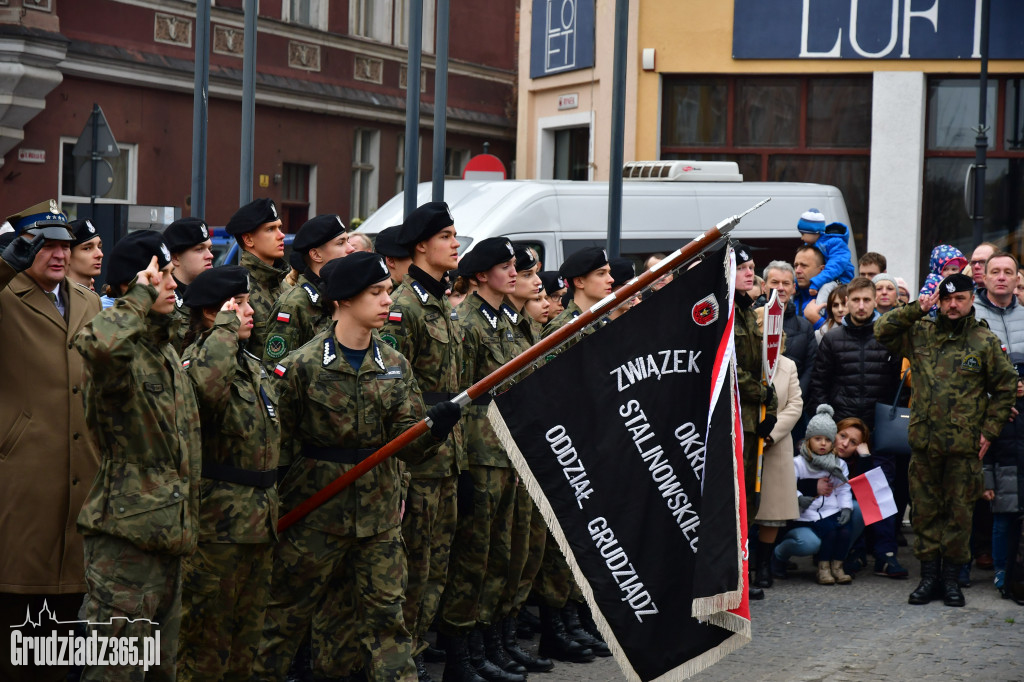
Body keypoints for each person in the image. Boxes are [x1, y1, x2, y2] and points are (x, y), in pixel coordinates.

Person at [254, 252, 461, 681]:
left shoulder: (394, 365)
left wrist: (434, 430)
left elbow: (410, 446)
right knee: (284, 622)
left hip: (378, 519)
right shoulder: (301, 367)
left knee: (389, 624)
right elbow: (275, 446)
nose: (388, 300)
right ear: (345, 300)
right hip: (315, 514)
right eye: (377, 292)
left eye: (388, 290)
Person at [73, 230, 203, 680]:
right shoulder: (122, 354)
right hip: (126, 546)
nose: (170, 285)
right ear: (131, 287)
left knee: (159, 672)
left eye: (169, 275)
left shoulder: (163, 349)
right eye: (158, 276)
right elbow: (98, 344)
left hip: (169, 539)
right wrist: (139, 295)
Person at [0, 201, 101, 682]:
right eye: (47, 244)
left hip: (81, 474)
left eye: (65, 244)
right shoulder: (6, 293)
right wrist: (5, 262)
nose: (59, 254)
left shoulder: (86, 300)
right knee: (18, 612)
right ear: (24, 247)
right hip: (24, 473)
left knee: (68, 615)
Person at [875, 273, 1017, 607]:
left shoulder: (983, 340)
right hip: (924, 444)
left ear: (971, 300)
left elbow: (1006, 386)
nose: (952, 305)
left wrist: (989, 431)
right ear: (939, 300)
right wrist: (915, 308)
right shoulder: (921, 332)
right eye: (947, 299)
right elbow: (881, 332)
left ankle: (952, 580)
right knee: (924, 513)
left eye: (960, 299)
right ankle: (928, 578)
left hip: (965, 448)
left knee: (959, 514)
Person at [176, 265, 281, 680]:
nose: (249, 311)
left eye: (248, 302)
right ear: (210, 313)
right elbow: (206, 396)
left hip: (257, 524)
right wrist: (221, 330)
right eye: (237, 304)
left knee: (245, 644)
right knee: (205, 642)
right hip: (216, 529)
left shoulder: (250, 365)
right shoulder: (195, 361)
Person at [379, 201, 466, 681]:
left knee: (435, 570)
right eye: (448, 236)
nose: (456, 244)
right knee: (409, 572)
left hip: (446, 457)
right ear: (420, 246)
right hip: (416, 462)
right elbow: (397, 393)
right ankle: (400, 663)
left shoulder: (440, 304)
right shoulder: (404, 307)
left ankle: (414, 655)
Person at [438, 237, 531, 682]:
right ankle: (461, 653)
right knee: (473, 556)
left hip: (509, 450)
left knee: (502, 554)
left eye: (514, 265)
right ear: (480, 275)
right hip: (480, 452)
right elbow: (459, 396)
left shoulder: (507, 322)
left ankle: (489, 643)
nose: (513, 272)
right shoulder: (466, 322)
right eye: (504, 266)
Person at [808, 276, 905, 577]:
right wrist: (831, 429)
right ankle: (852, 552)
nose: (861, 306)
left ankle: (885, 554)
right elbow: (819, 386)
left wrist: (887, 423)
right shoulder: (833, 339)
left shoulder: (889, 336)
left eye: (867, 300)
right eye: (856, 300)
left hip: (880, 429)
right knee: (845, 494)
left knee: (880, 492)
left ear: (876, 301)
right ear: (846, 302)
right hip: (844, 430)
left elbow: (898, 386)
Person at [732, 243, 779, 600]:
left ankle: (742, 573)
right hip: (733, 421)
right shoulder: (724, 312)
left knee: (750, 499)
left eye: (751, 266)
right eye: (741, 266)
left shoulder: (749, 310)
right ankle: (730, 578)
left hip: (752, 421)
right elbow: (731, 371)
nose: (750, 272)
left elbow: (764, 365)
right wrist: (762, 394)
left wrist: (771, 404)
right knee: (732, 501)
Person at [751, 310, 802, 590]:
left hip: (774, 445)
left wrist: (770, 434)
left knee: (771, 511)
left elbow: (795, 405)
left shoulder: (787, 365)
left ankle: (764, 568)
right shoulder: (742, 363)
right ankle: (744, 567)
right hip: (746, 445)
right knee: (744, 511)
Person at [263, 214, 355, 364]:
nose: (351, 249)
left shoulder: (349, 295)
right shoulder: (294, 304)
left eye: (348, 241)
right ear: (316, 254)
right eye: (341, 243)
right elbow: (277, 372)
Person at [790, 405, 854, 585]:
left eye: (827, 439)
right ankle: (823, 567)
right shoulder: (798, 463)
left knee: (844, 532)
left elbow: (843, 488)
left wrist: (846, 508)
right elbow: (789, 485)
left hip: (831, 509)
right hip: (809, 512)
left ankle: (838, 566)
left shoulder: (838, 464)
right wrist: (799, 497)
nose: (823, 443)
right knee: (830, 532)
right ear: (808, 440)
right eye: (818, 439)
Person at [226, 198, 291, 350]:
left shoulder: (286, 287)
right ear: (248, 239)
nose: (281, 235)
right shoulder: (238, 293)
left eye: (279, 228)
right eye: (270, 229)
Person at [983, 357, 1024, 596]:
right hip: (1003, 475)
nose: (1019, 385)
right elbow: (986, 452)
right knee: (1001, 525)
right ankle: (1000, 569)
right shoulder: (996, 412)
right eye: (1015, 380)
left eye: (1023, 380)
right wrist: (987, 483)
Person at [758, 260, 817, 399]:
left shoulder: (805, 327)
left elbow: (810, 367)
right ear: (763, 286)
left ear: (793, 288)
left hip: (793, 403)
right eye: (774, 282)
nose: (780, 288)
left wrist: (794, 398)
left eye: (786, 283)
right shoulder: (752, 321)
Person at [163, 217, 214, 354]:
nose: (210, 255)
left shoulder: (216, 296)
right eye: (199, 249)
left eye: (210, 249)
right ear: (175, 258)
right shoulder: (162, 302)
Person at [796, 208, 854, 296]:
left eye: (803, 234)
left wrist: (816, 282)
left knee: (825, 289)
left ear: (814, 232)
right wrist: (795, 285)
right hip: (826, 279)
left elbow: (835, 266)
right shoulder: (811, 245)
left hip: (841, 280)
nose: (802, 238)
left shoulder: (836, 243)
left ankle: (819, 310)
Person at [793, 244, 827, 327]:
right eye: (796, 266)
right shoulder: (790, 297)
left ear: (821, 270)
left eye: (804, 266)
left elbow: (840, 337)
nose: (797, 271)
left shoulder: (833, 299)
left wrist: (816, 320)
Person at [67, 218, 104, 291]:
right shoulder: (60, 299)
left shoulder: (94, 300)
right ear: (67, 255)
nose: (100, 254)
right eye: (87, 248)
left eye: (99, 247)